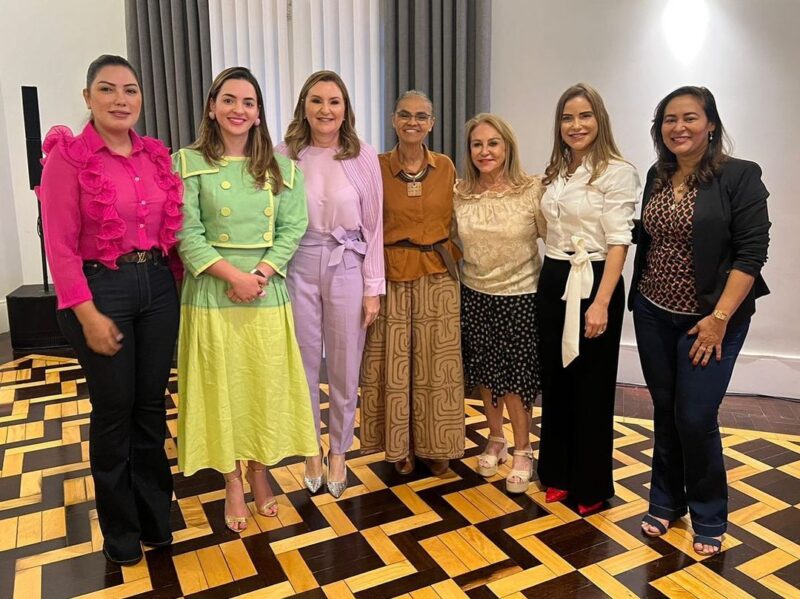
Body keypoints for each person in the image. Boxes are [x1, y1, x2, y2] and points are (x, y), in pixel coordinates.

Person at [38, 54, 182, 565]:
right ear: (87, 98)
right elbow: (59, 245)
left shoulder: (156, 156)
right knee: (115, 412)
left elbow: (174, 232)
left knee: (150, 409)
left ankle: (154, 519)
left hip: (158, 287)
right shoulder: (68, 159)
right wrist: (87, 312)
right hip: (104, 290)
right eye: (107, 89)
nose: (121, 99)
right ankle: (119, 530)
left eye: (130, 90)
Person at [174, 66, 317, 533]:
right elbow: (186, 232)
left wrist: (257, 273)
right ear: (212, 108)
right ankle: (232, 480)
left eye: (249, 103)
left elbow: (293, 227)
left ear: (258, 115)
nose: (239, 110)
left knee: (261, 385)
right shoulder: (187, 163)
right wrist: (231, 274)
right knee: (222, 388)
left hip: (265, 290)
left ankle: (261, 471)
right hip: (212, 291)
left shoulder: (282, 169)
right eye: (230, 100)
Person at [631, 86, 770, 555]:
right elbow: (646, 239)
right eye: (670, 119)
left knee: (695, 415)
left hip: (711, 321)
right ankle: (666, 502)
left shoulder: (740, 177)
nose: (679, 127)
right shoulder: (657, 174)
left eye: (690, 117)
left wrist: (718, 319)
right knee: (667, 412)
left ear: (710, 124)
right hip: (653, 312)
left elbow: (750, 258)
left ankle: (709, 513)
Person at [278, 71, 384, 497]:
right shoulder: (284, 155)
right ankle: (311, 450)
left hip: (348, 264)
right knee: (302, 364)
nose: (326, 110)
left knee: (344, 364)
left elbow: (375, 225)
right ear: (305, 105)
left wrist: (373, 285)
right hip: (298, 263)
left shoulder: (363, 156)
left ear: (346, 109)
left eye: (334, 101)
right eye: (317, 100)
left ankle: (339, 450)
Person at [536, 83, 640, 515]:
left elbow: (620, 242)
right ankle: (557, 473)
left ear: (600, 120)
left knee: (592, 384)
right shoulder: (556, 173)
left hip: (595, 276)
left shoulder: (617, 171)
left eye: (584, 116)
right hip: (555, 274)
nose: (575, 125)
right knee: (557, 381)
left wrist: (601, 302)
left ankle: (591, 483)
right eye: (567, 118)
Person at [360, 90, 464, 476]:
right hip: (390, 274)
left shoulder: (447, 167)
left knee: (438, 366)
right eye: (405, 115)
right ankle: (399, 447)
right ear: (393, 119)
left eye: (422, 116)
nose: (413, 122)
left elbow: (458, 218)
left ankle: (438, 446)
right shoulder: (375, 166)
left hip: (438, 276)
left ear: (432, 123)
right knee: (395, 365)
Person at [453, 113, 544, 494]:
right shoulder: (458, 192)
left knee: (516, 380)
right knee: (486, 375)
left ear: (507, 146)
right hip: (474, 293)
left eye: (493, 143)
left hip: (521, 295)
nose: (485, 151)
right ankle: (496, 440)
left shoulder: (532, 189)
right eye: (477, 144)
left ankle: (523, 450)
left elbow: (553, 240)